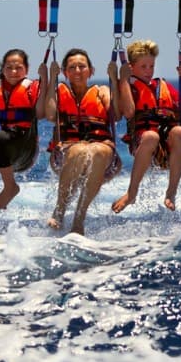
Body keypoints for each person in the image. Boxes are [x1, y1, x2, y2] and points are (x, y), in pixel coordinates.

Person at [111, 39, 181, 213]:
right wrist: (124, 80)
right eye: (143, 67)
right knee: (151, 136)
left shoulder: (163, 86)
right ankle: (131, 193)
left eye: (151, 66)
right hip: (143, 144)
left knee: (179, 131)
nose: (149, 71)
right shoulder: (128, 86)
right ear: (132, 67)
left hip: (167, 151)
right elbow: (128, 112)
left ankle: (171, 193)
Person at [44, 48, 122, 235]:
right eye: (72, 67)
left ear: (91, 71)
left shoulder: (102, 91)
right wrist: (50, 78)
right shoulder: (58, 91)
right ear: (65, 72)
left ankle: (79, 218)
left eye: (82, 66)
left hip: (103, 151)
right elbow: (49, 115)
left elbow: (117, 115)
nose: (77, 70)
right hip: (67, 152)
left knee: (95, 151)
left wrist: (115, 80)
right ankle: (60, 210)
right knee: (80, 150)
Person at [0, 49, 48, 209]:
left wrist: (45, 79)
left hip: (24, 148)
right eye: (9, 67)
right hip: (0, 146)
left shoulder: (32, 87)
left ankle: (10, 187)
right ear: (2, 69)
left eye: (18, 67)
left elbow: (41, 114)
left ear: (26, 70)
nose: (13, 72)